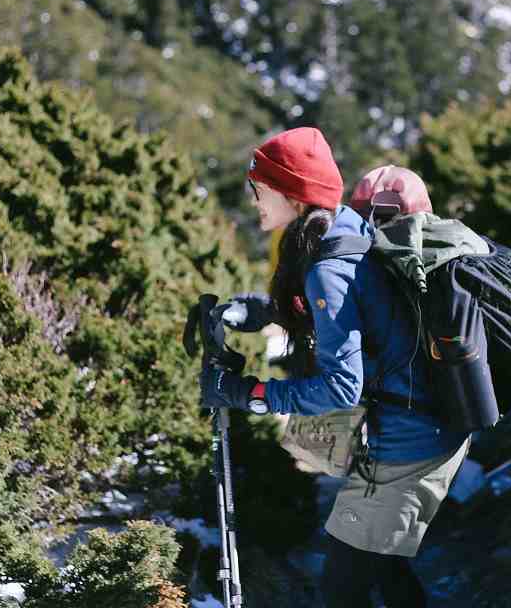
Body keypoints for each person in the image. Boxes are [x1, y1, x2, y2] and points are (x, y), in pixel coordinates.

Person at [199, 126, 471, 608]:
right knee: (383, 568)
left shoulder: (327, 263)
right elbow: (348, 312)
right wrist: (257, 310)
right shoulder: (339, 226)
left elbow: (342, 388)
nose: (254, 199)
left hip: (410, 444)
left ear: (292, 193)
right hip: (421, 428)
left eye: (258, 188)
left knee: (342, 588)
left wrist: (249, 394)